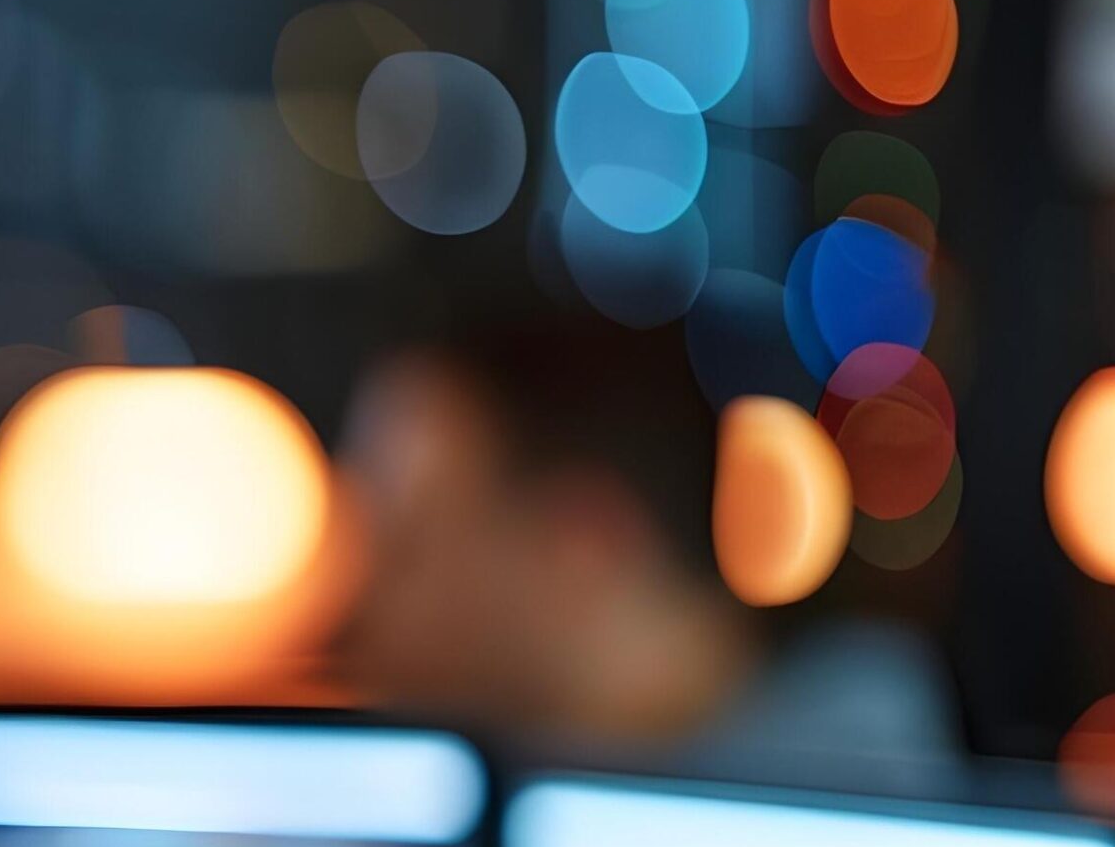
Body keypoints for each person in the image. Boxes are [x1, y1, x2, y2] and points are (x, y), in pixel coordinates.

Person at [331, 314, 961, 792]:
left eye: (405, 549)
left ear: (586, 547)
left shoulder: (841, 822)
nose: (355, 603)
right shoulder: (543, 807)